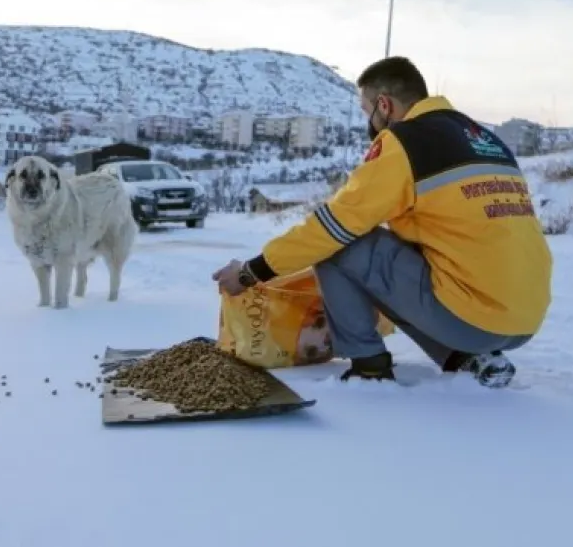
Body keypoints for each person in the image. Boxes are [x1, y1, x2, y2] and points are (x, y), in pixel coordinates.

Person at [212, 57, 552, 388]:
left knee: (340, 243)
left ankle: (369, 366)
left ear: (384, 105)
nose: (369, 121)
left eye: (366, 110)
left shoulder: (406, 141)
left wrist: (250, 273)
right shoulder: (484, 139)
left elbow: (332, 228)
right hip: (525, 316)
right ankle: (465, 358)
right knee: (397, 262)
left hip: (474, 318)